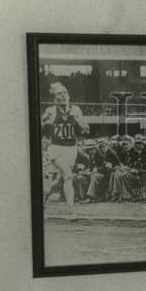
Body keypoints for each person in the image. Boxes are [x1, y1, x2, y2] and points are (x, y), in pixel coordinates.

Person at [40, 82, 89, 213]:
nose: (62, 96)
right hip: (56, 148)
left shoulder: (76, 109)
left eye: (64, 93)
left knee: (57, 181)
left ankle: (43, 198)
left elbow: (86, 129)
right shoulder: (51, 111)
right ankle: (71, 210)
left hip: (71, 148)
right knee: (69, 176)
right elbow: (40, 127)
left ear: (68, 94)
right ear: (55, 98)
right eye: (59, 94)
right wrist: (46, 122)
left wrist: (77, 119)